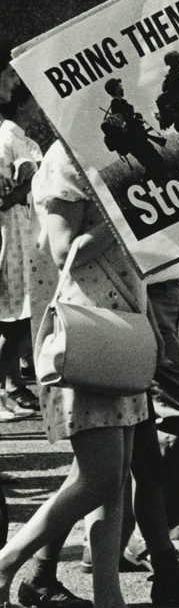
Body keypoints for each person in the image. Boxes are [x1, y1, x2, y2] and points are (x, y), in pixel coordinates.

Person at [0, 138, 179, 608]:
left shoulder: (100, 155)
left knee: (115, 475)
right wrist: (136, 212)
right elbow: (64, 252)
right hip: (88, 336)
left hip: (117, 329)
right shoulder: (63, 162)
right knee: (99, 476)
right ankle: (7, 563)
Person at [0, 110, 39, 422]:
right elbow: (6, 198)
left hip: (18, 239)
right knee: (11, 324)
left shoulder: (18, 140)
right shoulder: (7, 141)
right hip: (7, 240)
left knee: (16, 321)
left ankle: (10, 387)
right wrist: (28, 187)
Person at [100, 77, 168, 177]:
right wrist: (136, 119)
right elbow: (126, 121)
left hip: (138, 139)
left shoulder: (120, 102)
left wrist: (136, 117)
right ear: (116, 89)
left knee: (155, 163)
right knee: (153, 164)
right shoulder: (116, 104)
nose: (122, 88)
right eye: (120, 86)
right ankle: (147, 184)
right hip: (134, 141)